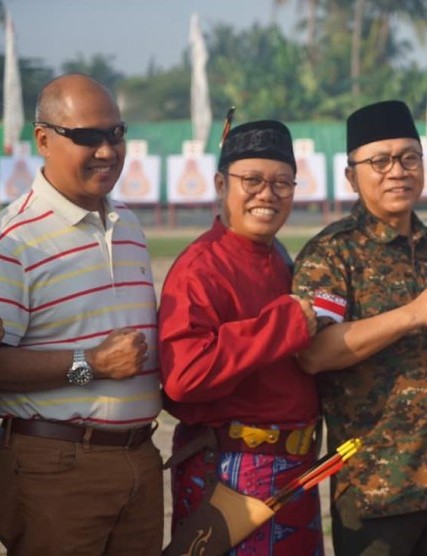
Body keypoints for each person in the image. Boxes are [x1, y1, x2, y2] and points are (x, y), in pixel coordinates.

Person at [292, 99, 427, 555]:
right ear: (350, 176)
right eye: (379, 161)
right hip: (378, 487)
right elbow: (314, 353)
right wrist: (412, 315)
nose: (397, 171)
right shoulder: (332, 253)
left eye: (408, 158)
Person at [0, 73, 162, 554]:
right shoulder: (15, 240)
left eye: (115, 133)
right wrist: (87, 363)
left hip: (140, 457)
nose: (108, 151)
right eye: (88, 137)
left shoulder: (128, 225)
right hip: (55, 466)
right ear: (44, 141)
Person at [158, 119, 322, 554]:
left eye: (282, 183)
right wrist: (281, 327)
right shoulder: (200, 267)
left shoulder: (283, 260)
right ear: (219, 183)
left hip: (296, 468)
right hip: (233, 472)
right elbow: (184, 376)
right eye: (251, 180)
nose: (267, 194)